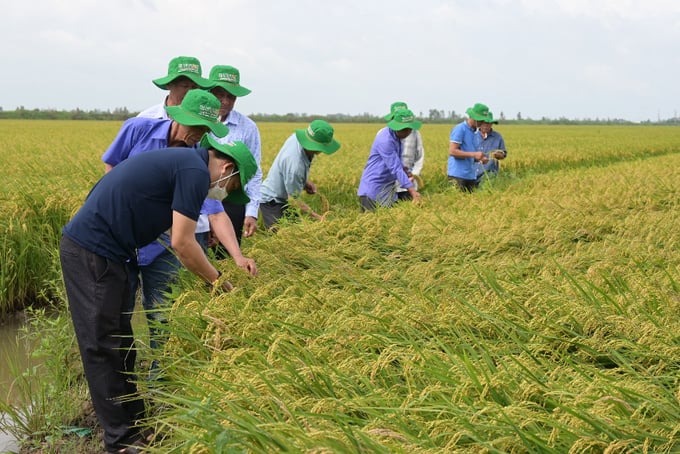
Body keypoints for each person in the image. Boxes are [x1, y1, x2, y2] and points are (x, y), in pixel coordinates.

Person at [60, 136, 256, 453]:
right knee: (102, 346)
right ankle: (120, 441)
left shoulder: (185, 165)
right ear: (227, 168)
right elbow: (182, 243)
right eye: (231, 186)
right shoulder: (194, 171)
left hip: (117, 252)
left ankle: (134, 423)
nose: (223, 193)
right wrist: (218, 282)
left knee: (122, 343)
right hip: (92, 250)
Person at [102, 89, 253, 368]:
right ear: (176, 111)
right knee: (116, 316)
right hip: (122, 239)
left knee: (162, 315)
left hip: (164, 242)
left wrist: (237, 256)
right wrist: (218, 281)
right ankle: (125, 383)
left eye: (204, 128)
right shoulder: (138, 129)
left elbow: (213, 213)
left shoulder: (197, 158)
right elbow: (112, 174)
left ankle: (159, 380)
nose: (197, 133)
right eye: (193, 125)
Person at [206, 65, 263, 249]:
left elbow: (253, 172)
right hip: (198, 198)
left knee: (227, 256)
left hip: (232, 201)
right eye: (219, 94)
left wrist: (252, 211)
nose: (224, 101)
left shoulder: (247, 127)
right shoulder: (197, 123)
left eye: (230, 96)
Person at [259, 119, 341, 229]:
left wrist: (304, 182)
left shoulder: (296, 138)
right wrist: (318, 217)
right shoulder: (295, 164)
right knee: (282, 238)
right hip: (273, 201)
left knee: (298, 231)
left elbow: (288, 174)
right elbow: (293, 200)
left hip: (285, 199)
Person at [357, 109, 422, 212]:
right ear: (396, 127)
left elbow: (396, 162)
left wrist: (406, 171)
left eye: (410, 129)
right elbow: (395, 168)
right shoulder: (385, 140)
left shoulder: (397, 137)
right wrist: (413, 192)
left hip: (386, 190)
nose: (408, 132)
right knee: (372, 224)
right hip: (373, 190)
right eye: (405, 129)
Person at [136, 55, 213, 119]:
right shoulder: (146, 119)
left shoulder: (205, 123)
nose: (190, 92)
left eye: (194, 87)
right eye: (185, 86)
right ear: (169, 85)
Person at [383, 102, 426, 201]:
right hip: (390, 184)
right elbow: (389, 164)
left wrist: (414, 174)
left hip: (410, 182)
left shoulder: (415, 133)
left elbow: (420, 156)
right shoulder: (385, 135)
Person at [448, 102, 493, 192]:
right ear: (473, 117)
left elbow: (470, 155)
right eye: (480, 120)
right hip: (458, 176)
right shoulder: (460, 129)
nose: (482, 123)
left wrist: (479, 159)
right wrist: (474, 154)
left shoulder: (475, 132)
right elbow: (452, 151)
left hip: (471, 175)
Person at [475, 112, 507, 182]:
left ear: (492, 124)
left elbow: (503, 154)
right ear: (479, 123)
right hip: (472, 175)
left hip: (489, 176)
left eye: (488, 123)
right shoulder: (472, 136)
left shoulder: (497, 137)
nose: (485, 126)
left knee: (484, 189)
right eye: (483, 123)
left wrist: (498, 155)